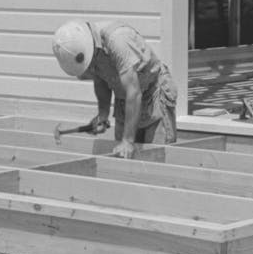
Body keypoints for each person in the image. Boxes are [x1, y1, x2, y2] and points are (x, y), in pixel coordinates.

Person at [52, 19, 177, 158]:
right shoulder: (90, 51)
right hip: (125, 101)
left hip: (152, 95)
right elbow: (101, 79)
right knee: (122, 160)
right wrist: (103, 115)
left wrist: (128, 140)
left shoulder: (118, 40)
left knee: (155, 159)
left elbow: (134, 92)